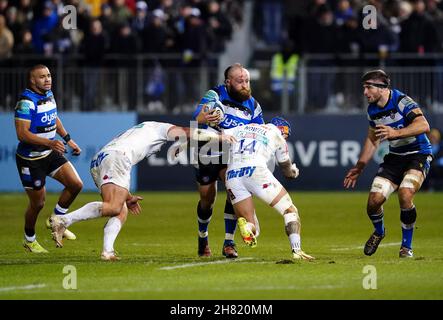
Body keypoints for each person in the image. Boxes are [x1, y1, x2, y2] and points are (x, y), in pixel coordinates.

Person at [50, 121, 235, 261]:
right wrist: (219, 137)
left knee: (121, 208)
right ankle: (63, 220)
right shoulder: (161, 128)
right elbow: (190, 132)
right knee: (114, 207)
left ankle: (107, 251)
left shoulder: (142, 128)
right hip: (118, 158)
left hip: (100, 159)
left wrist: (128, 196)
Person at [344, 69, 433, 258]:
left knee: (405, 193)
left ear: (382, 88)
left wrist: (395, 133)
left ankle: (406, 247)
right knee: (373, 202)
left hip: (418, 154)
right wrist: (360, 166)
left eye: (368, 87)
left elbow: (424, 125)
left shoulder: (401, 101)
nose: (365, 92)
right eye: (364, 87)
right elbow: (372, 139)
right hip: (395, 158)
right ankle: (379, 231)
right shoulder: (372, 110)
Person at [192, 63, 264, 258]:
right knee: (207, 199)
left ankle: (229, 242)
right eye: (240, 81)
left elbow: (259, 133)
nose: (245, 85)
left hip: (233, 154)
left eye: (247, 81)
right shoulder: (214, 95)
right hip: (207, 150)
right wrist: (204, 117)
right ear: (228, 82)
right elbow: (196, 119)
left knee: (235, 190)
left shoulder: (254, 106)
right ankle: (202, 236)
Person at [223, 117, 314, 260]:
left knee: (253, 228)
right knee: (290, 210)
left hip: (232, 175)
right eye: (286, 135)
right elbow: (287, 170)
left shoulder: (241, 128)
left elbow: (218, 136)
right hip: (256, 170)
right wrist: (294, 172)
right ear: (282, 129)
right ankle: (297, 250)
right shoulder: (277, 135)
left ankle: (248, 228)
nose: (286, 138)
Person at [15, 64, 83, 253]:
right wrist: (50, 143)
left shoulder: (49, 95)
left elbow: (54, 118)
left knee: (76, 184)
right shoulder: (26, 102)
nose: (47, 79)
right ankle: (29, 240)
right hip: (30, 159)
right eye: (42, 77)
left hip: (49, 152)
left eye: (49, 75)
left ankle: (56, 220)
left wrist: (68, 139)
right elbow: (22, 134)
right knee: (38, 203)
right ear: (32, 80)